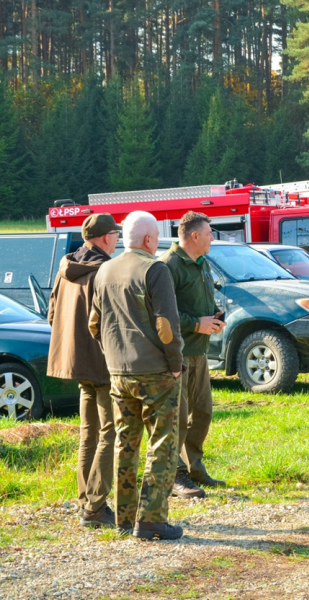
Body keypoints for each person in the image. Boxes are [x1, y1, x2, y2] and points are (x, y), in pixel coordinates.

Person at [90, 211, 184, 540]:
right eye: (157, 238)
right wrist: (175, 362)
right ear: (148, 239)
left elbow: (93, 323)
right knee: (162, 443)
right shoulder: (154, 268)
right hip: (155, 371)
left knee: (125, 445)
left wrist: (112, 354)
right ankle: (152, 520)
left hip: (118, 372)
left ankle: (125, 519)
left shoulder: (104, 270)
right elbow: (167, 326)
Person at [47, 214, 120, 528]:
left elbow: (52, 313)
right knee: (110, 431)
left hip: (76, 362)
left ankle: (85, 499)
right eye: (115, 234)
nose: (117, 240)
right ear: (105, 238)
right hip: (103, 363)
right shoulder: (105, 270)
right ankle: (94, 506)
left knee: (88, 433)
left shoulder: (66, 267)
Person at [160, 211, 226, 498]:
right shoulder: (168, 265)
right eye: (209, 232)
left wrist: (214, 317)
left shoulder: (203, 262)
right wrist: (196, 323)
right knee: (178, 416)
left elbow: (199, 300)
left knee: (202, 413)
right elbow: (163, 313)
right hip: (178, 354)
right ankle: (176, 476)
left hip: (200, 352)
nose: (213, 237)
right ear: (195, 236)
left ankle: (195, 468)